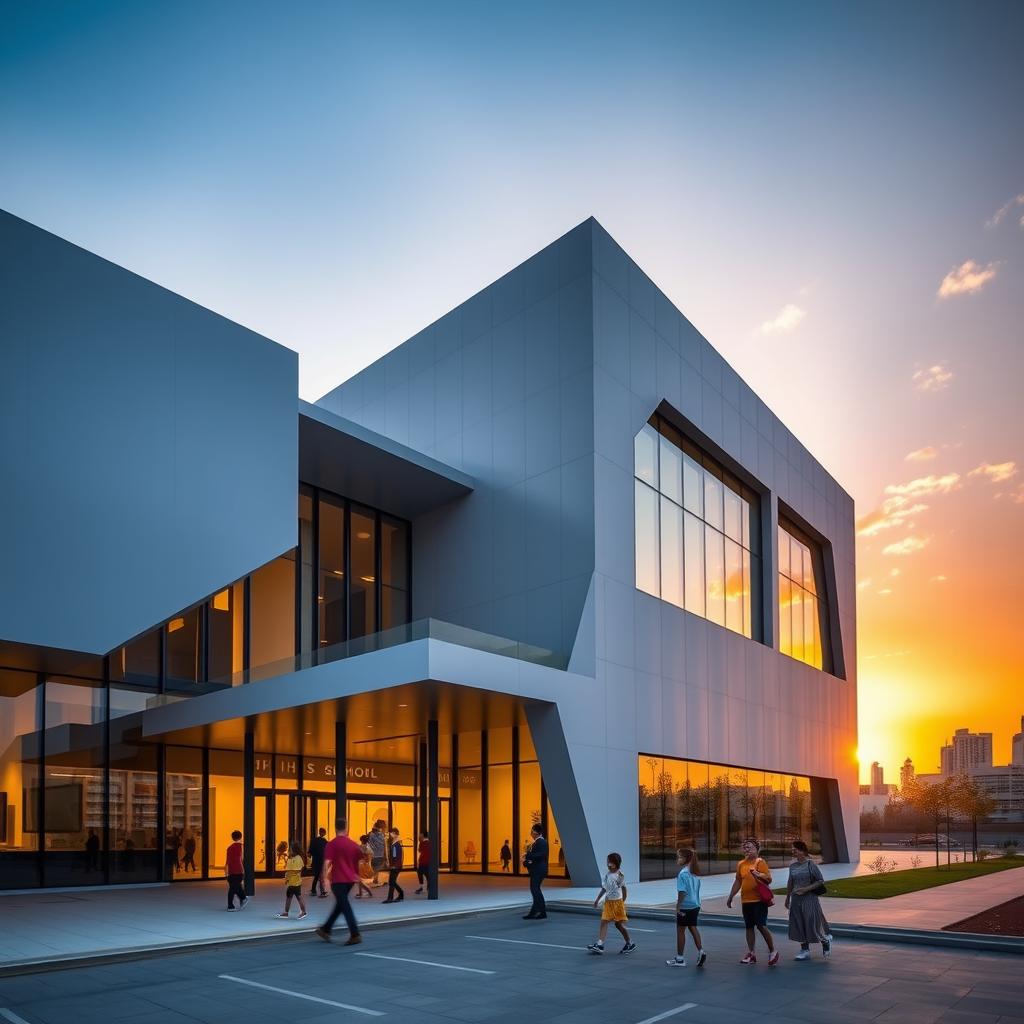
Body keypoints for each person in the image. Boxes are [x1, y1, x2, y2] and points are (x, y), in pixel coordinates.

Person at [726, 838, 778, 966]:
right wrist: (731, 896)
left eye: (749, 847)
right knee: (749, 927)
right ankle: (752, 953)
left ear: (756, 849)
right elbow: (738, 881)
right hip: (746, 900)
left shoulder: (760, 862)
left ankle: (772, 951)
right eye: (745, 847)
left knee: (761, 925)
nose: (746, 849)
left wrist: (758, 874)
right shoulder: (741, 864)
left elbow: (768, 879)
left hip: (759, 900)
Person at [316, 817, 363, 946]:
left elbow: (327, 863)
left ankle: (355, 934)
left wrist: (324, 880)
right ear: (346, 827)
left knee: (344, 905)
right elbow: (359, 859)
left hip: (338, 879)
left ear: (335, 828)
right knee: (341, 904)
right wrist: (357, 876)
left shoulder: (332, 844)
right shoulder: (353, 844)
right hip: (350, 879)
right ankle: (325, 929)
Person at [785, 840, 832, 960]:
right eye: (792, 849)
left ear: (802, 851)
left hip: (809, 899)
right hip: (796, 899)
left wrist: (805, 889)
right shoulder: (792, 866)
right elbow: (790, 882)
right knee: (799, 923)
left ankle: (825, 941)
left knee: (812, 923)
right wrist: (787, 897)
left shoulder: (811, 865)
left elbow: (820, 880)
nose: (793, 851)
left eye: (795, 849)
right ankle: (804, 950)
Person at [586, 852, 636, 955]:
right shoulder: (608, 875)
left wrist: (622, 902)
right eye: (607, 862)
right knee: (604, 921)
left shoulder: (620, 876)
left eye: (609, 862)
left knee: (619, 925)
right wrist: (597, 899)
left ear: (615, 863)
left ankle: (630, 943)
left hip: (617, 903)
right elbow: (604, 889)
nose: (607, 864)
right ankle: (600, 944)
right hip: (608, 903)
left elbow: (624, 889)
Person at [667, 848, 706, 968]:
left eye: (679, 857)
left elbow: (682, 892)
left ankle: (680, 959)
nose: (677, 859)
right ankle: (701, 951)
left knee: (680, 931)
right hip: (695, 905)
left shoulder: (683, 874)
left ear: (686, 859)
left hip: (686, 906)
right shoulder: (694, 872)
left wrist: (678, 907)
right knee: (692, 927)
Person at [276, 841, 309, 920]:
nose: (289, 850)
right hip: (291, 882)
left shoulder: (298, 858)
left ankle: (303, 912)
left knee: (298, 897)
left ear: (294, 850)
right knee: (289, 897)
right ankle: (286, 913)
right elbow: (289, 869)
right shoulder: (291, 858)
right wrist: (287, 878)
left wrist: (288, 875)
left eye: (290, 849)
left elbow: (297, 870)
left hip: (296, 882)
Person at [522, 824, 548, 919]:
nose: (531, 833)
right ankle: (536, 911)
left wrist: (527, 854)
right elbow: (536, 858)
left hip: (538, 870)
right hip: (537, 870)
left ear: (535, 832)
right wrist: (525, 862)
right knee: (535, 890)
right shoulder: (538, 842)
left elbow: (540, 855)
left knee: (535, 890)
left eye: (532, 831)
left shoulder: (541, 842)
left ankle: (541, 911)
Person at [226, 829, 247, 911]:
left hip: (231, 871)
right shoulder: (240, 846)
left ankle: (243, 899)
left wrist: (226, 872)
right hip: (238, 870)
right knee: (233, 888)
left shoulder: (229, 848)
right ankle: (231, 906)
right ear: (241, 837)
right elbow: (240, 859)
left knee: (235, 887)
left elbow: (227, 861)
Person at [383, 828, 405, 903]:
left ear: (395, 834)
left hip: (395, 866)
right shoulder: (395, 843)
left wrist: (393, 865)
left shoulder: (396, 844)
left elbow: (396, 856)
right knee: (392, 881)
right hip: (395, 865)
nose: (390, 835)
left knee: (391, 881)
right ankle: (400, 893)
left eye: (391, 833)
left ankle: (390, 898)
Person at [308, 827, 328, 897]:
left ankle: (314, 890)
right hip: (321, 860)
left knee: (317, 876)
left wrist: (310, 856)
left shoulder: (314, 840)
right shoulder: (325, 841)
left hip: (316, 860)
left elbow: (310, 851)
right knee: (321, 876)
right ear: (323, 833)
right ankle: (322, 891)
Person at [367, 821, 387, 886]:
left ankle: (375, 879)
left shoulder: (371, 835)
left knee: (375, 868)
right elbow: (384, 845)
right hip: (380, 854)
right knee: (376, 868)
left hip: (373, 854)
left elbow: (369, 843)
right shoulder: (382, 835)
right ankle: (375, 879)